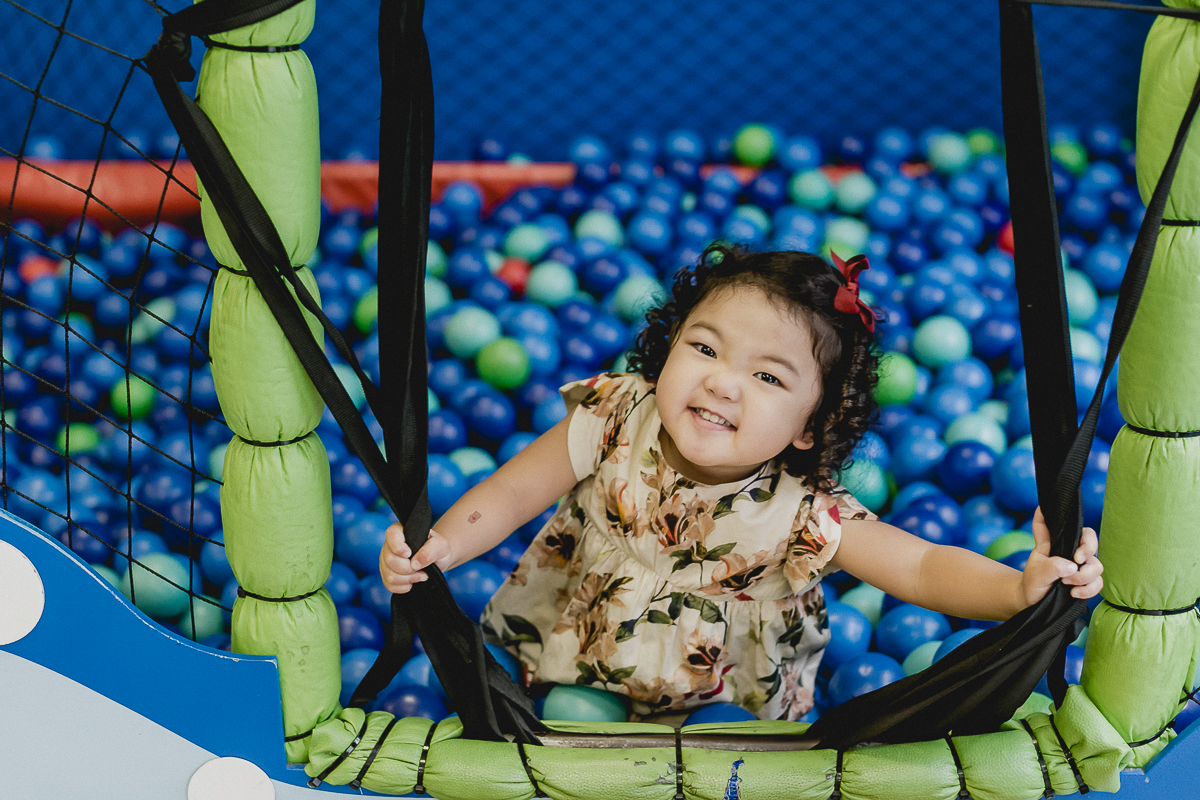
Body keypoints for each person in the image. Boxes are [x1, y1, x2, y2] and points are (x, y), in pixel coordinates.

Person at [379, 244, 1103, 721]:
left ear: (810, 426)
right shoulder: (617, 415)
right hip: (585, 643)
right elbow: (513, 491)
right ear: (669, 347)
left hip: (719, 694)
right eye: (704, 347)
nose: (722, 383)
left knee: (721, 760)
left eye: (768, 377)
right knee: (567, 722)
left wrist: (1018, 590)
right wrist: (439, 546)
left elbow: (919, 566)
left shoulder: (803, 512)